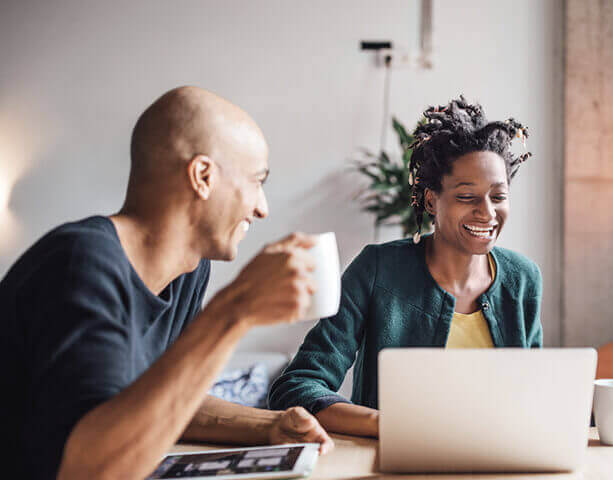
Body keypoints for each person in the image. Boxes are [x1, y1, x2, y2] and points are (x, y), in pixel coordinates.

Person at [0, 86, 333, 480]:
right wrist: (234, 310)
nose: (262, 208)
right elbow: (91, 470)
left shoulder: (190, 272)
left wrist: (268, 426)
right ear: (203, 176)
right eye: (257, 181)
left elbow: (163, 399)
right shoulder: (81, 265)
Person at [268, 96, 543, 437]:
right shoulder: (377, 270)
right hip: (393, 463)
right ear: (431, 200)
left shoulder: (522, 279)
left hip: (498, 459)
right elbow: (296, 387)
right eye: (466, 197)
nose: (487, 212)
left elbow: (532, 394)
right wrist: (389, 426)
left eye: (498, 197)